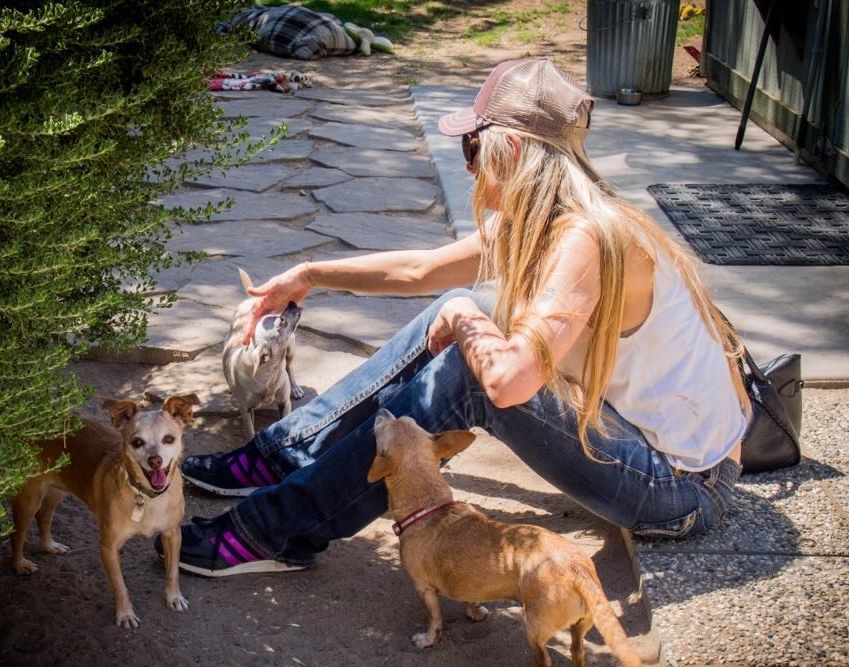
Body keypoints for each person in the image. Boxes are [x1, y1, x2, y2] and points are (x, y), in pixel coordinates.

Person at [157, 58, 749, 577]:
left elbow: (511, 383)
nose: (469, 169)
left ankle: (274, 531)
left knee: (475, 372)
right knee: (458, 308)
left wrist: (468, 320)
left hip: (682, 489)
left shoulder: (586, 239)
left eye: (473, 150)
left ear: (510, 151)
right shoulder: (546, 221)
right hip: (649, 445)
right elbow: (422, 270)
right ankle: (279, 457)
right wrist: (307, 275)